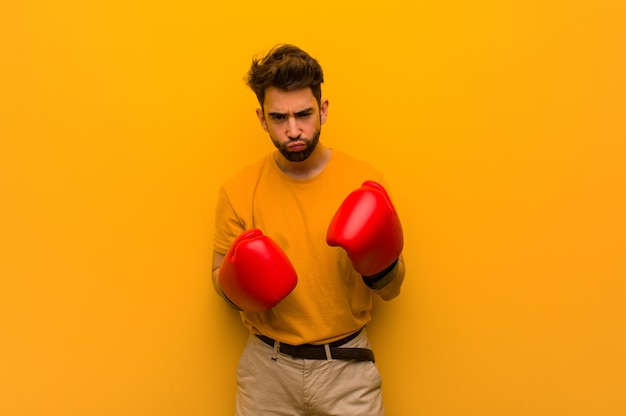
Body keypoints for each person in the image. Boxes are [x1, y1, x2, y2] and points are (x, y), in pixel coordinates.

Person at [211, 44, 406, 416]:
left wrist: (378, 266)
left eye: (303, 114)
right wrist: (242, 282)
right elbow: (217, 277)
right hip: (267, 371)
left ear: (324, 110)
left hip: (347, 369)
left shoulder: (364, 182)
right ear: (261, 119)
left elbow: (394, 289)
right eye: (279, 118)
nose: (294, 130)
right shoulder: (238, 190)